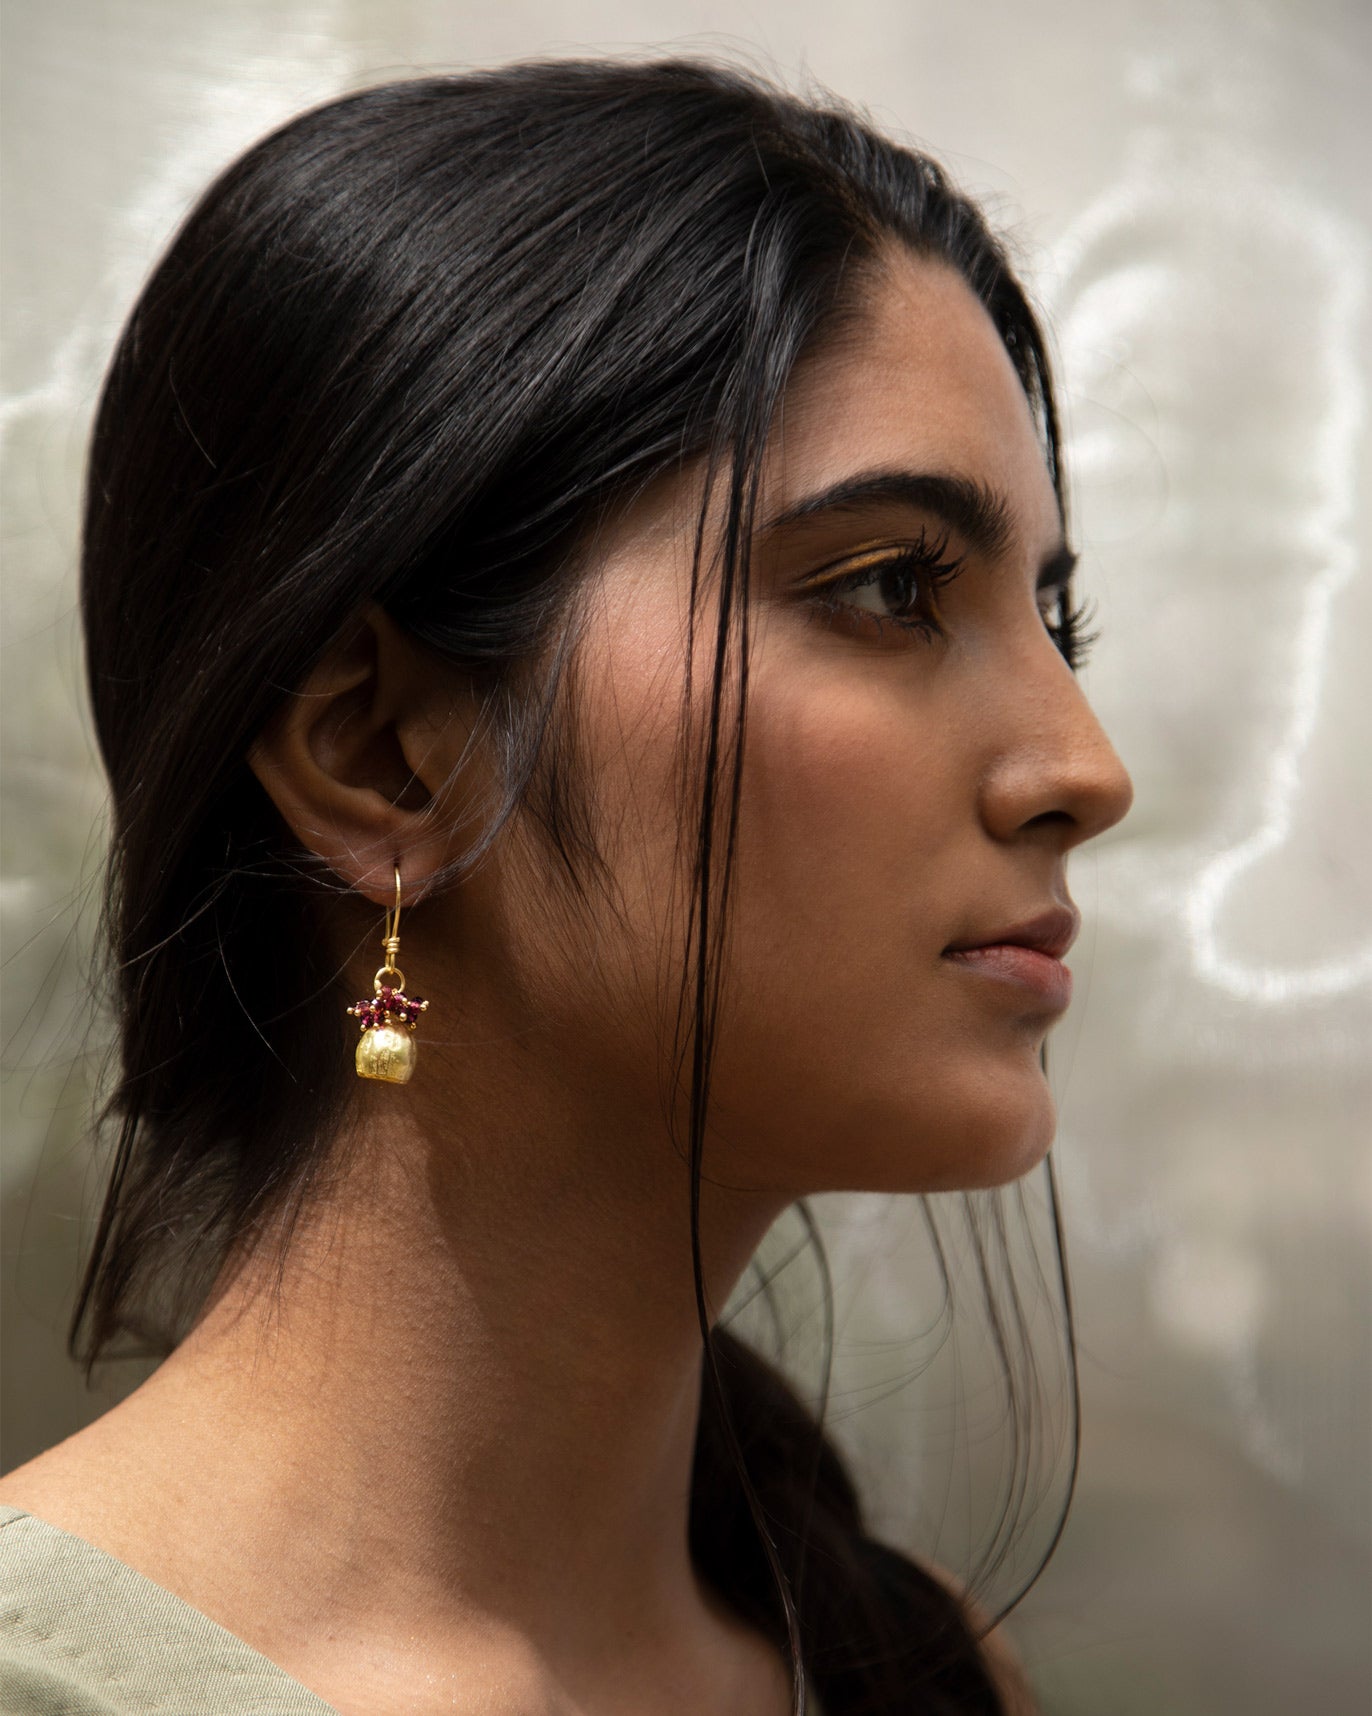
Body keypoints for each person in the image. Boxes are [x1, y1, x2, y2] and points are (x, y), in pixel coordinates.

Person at [0, 56, 1133, 1716]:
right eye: (894, 587)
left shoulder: (916, 1668)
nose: (1085, 768)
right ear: (381, 752)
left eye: (1056, 619)